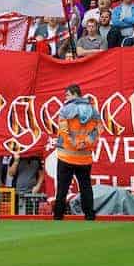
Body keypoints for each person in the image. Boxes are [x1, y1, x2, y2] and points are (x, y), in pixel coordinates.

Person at [52, 84, 99, 220]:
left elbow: (63, 131)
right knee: (86, 187)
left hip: (66, 156)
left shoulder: (65, 110)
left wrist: (73, 143)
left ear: (74, 94)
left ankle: (58, 216)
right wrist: (85, 143)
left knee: (62, 188)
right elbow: (97, 131)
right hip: (85, 157)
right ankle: (90, 215)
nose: (65, 97)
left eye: (67, 94)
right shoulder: (93, 111)